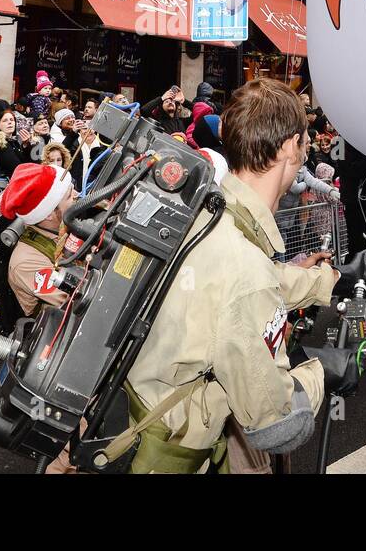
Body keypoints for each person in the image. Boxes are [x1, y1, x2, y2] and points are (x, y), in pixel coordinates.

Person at [116, 79, 349, 474]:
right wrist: (325, 371)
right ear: (292, 146)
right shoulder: (243, 266)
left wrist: (326, 281)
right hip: (175, 453)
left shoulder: (205, 214)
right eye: (305, 141)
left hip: (132, 420)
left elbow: (229, 288)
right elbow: (275, 422)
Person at [0, 163, 76, 317]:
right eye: (69, 196)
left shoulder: (62, 226)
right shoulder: (25, 263)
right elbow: (74, 298)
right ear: (48, 214)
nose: (77, 195)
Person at [68, 120, 108, 191]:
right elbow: (62, 148)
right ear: (79, 131)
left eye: (90, 127)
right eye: (84, 128)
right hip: (78, 186)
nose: (88, 131)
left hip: (99, 185)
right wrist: (72, 134)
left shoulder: (104, 143)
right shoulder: (73, 145)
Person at [0, 110, 28, 176]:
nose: (9, 122)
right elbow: (16, 168)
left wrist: (26, 145)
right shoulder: (0, 143)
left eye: (12, 120)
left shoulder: (14, 142)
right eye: (5, 120)